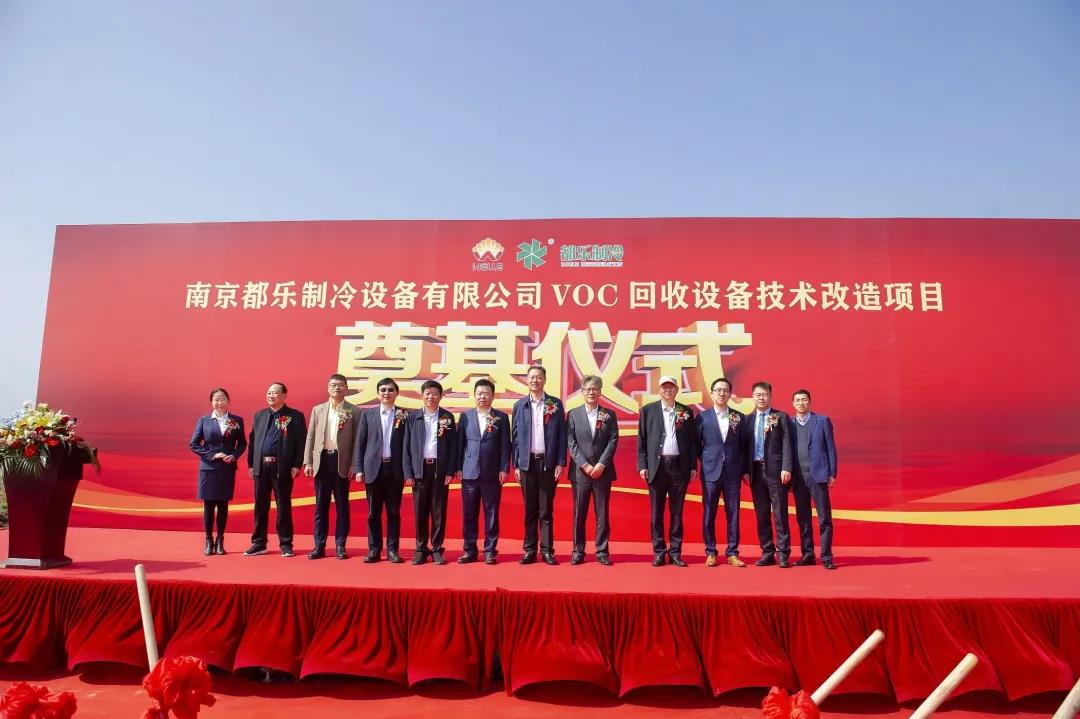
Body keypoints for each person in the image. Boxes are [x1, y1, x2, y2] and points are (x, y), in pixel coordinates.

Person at [637, 375, 698, 567]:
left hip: (679, 467)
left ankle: (675, 552)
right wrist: (643, 465)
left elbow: (692, 442)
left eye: (671, 387)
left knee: (677, 513)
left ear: (677, 390)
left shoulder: (686, 412)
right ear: (659, 390)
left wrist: (693, 466)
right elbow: (642, 441)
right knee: (656, 513)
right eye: (664, 387)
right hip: (657, 467)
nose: (668, 390)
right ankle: (659, 552)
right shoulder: (648, 411)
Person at [511, 364, 568, 565]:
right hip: (526, 464)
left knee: (546, 509)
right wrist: (516, 465)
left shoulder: (555, 404)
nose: (535, 380)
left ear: (545, 380)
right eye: (532, 377)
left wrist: (560, 462)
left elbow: (562, 436)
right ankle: (529, 550)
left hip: (548, 463)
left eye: (539, 377)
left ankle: (547, 550)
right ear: (527, 380)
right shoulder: (520, 405)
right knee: (530, 509)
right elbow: (515, 438)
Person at [245, 382, 307, 557]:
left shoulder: (295, 416)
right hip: (261, 467)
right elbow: (252, 443)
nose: (270, 396)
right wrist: (251, 465)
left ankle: (286, 543)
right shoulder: (260, 415)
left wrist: (297, 464)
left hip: (282, 467)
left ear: (284, 396)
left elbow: (301, 442)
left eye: (274, 393)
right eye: (268, 393)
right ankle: (259, 543)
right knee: (260, 506)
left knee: (283, 506)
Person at [302, 374, 358, 560]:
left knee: (342, 506)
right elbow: (310, 437)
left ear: (346, 388)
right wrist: (308, 462)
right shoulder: (318, 410)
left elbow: (357, 442)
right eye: (333, 385)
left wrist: (354, 465)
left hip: (342, 463)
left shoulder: (354, 411)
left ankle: (340, 546)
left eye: (341, 385)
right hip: (322, 461)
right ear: (328, 387)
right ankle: (319, 546)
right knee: (321, 507)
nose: (337, 388)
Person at [696, 377, 751, 567]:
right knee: (709, 512)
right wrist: (706, 460)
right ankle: (710, 552)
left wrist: (744, 470)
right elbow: (696, 445)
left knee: (733, 513)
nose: (722, 393)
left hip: (733, 472)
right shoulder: (702, 417)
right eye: (718, 390)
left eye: (725, 390)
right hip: (710, 471)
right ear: (711, 394)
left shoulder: (739, 417)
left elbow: (745, 447)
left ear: (730, 394)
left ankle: (732, 552)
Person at [402, 379, 458, 565]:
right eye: (428, 393)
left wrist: (450, 470)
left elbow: (453, 447)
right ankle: (420, 548)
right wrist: (408, 472)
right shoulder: (413, 417)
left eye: (435, 394)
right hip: (419, 469)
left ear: (441, 396)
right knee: (420, 511)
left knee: (439, 511)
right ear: (422, 395)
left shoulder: (447, 417)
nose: (431, 397)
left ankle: (436, 549)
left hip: (439, 470)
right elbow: (406, 446)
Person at [352, 378, 408, 563]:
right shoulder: (368, 415)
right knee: (373, 513)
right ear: (378, 393)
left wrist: (408, 471)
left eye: (390, 390)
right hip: (373, 469)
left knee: (393, 513)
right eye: (383, 390)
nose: (386, 393)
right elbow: (360, 443)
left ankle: (392, 550)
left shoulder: (404, 415)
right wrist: (359, 468)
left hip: (395, 470)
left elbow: (408, 445)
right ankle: (374, 549)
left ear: (396, 393)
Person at [455, 377, 510, 565]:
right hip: (469, 472)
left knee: (491, 513)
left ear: (493, 396)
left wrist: (504, 468)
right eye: (479, 393)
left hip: (492, 473)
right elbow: (460, 444)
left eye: (486, 393)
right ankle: (469, 550)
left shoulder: (501, 418)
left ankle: (490, 551)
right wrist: (458, 467)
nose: (483, 397)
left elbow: (505, 445)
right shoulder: (465, 417)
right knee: (469, 514)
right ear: (474, 395)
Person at [566, 375, 618, 565]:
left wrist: (601, 464)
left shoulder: (609, 414)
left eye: (595, 389)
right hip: (580, 472)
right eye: (588, 389)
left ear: (600, 392)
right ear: (582, 392)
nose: (591, 392)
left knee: (602, 513)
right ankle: (578, 551)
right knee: (579, 512)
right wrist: (585, 464)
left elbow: (613, 440)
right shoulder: (573, 414)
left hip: (602, 471)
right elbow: (571, 441)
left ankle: (602, 550)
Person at [189, 388, 247, 556]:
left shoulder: (236, 420)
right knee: (208, 505)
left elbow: (242, 443)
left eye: (222, 399)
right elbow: (194, 444)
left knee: (223, 505)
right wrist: (213, 455)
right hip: (208, 469)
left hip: (227, 469)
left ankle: (220, 541)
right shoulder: (204, 420)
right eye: (216, 399)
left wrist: (234, 455)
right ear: (211, 402)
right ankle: (209, 541)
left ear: (228, 401)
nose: (219, 402)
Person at [788, 389, 838, 570]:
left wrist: (832, 473)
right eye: (797, 400)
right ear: (793, 404)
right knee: (803, 518)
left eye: (804, 400)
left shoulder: (822, 421)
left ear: (809, 401)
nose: (801, 403)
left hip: (819, 476)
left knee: (824, 518)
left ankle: (826, 556)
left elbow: (831, 448)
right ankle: (808, 554)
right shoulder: (789, 424)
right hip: (798, 478)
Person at [748, 381, 794, 568]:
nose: (761, 398)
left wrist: (786, 467)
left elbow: (787, 444)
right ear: (753, 397)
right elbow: (744, 449)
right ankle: (767, 552)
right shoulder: (748, 419)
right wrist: (745, 471)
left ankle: (783, 553)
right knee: (762, 514)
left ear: (770, 396)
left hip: (776, 471)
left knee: (780, 513)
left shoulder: (780, 416)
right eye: (758, 395)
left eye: (765, 394)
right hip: (755, 471)